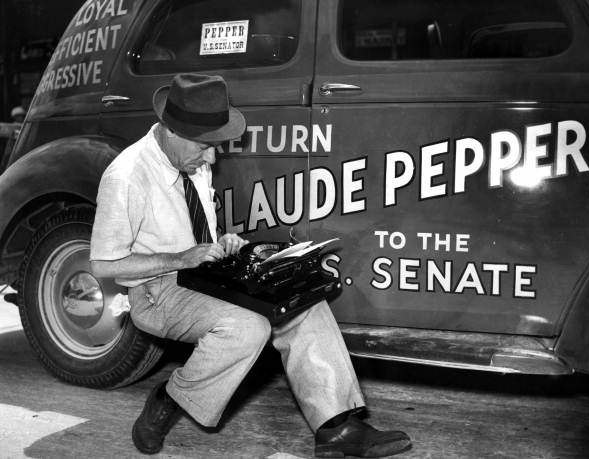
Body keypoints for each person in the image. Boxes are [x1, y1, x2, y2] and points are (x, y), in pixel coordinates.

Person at [90, 73, 412, 457]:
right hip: (157, 290)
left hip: (204, 275)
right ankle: (169, 399)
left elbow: (195, 225)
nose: (213, 158)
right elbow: (105, 265)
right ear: (173, 132)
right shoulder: (126, 177)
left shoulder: (191, 157)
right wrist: (181, 257)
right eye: (206, 147)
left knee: (300, 298)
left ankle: (336, 430)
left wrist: (220, 242)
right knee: (248, 327)